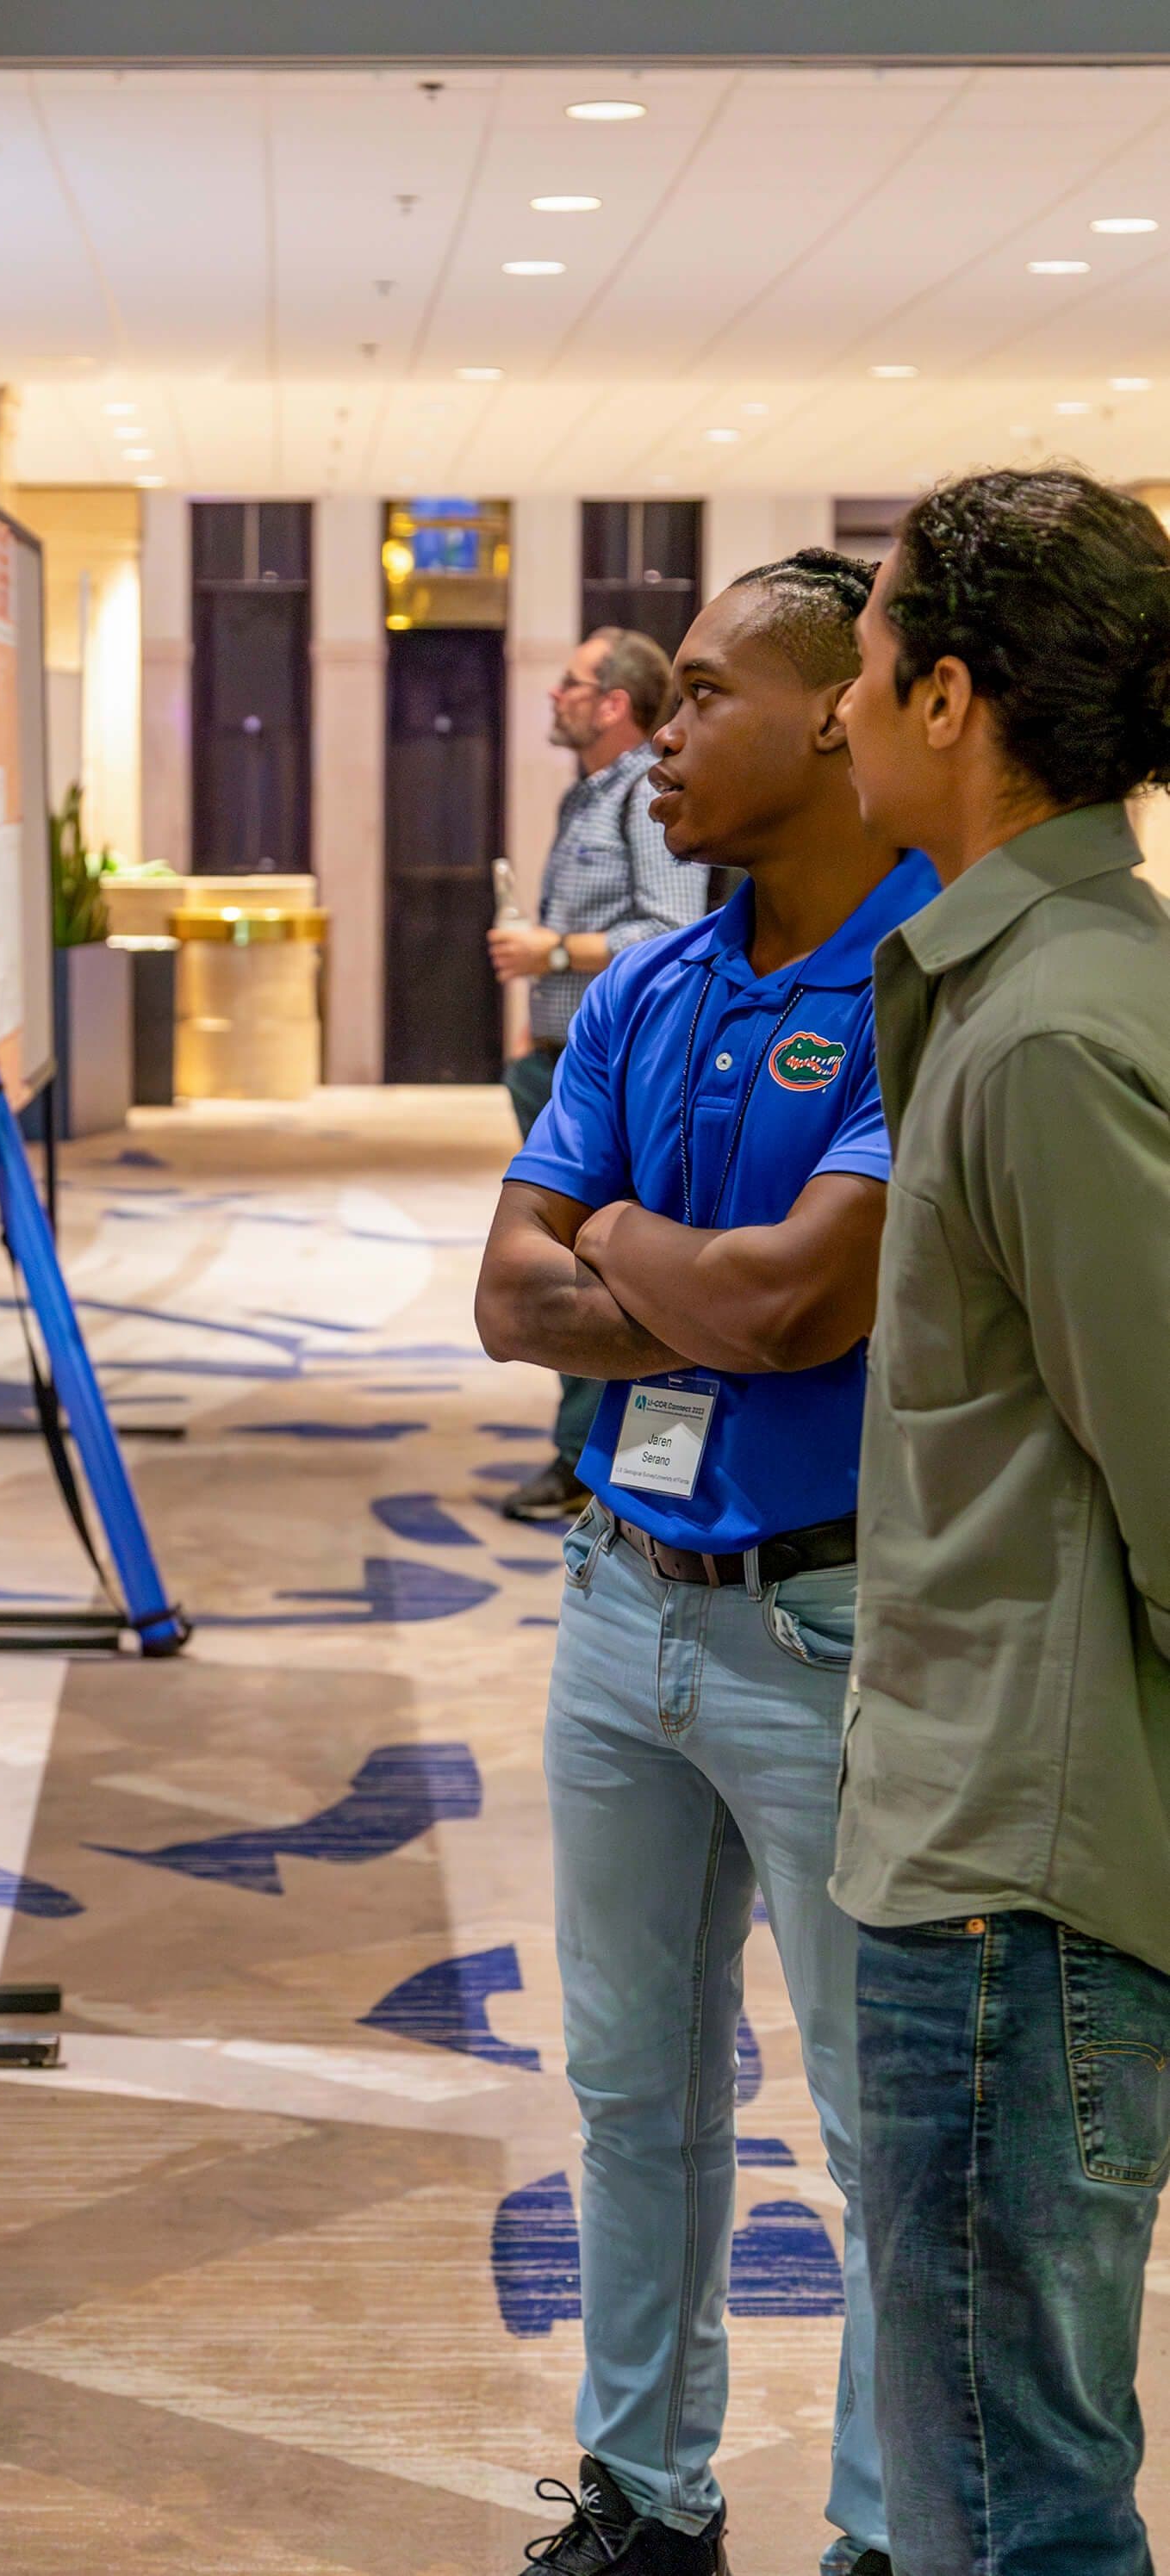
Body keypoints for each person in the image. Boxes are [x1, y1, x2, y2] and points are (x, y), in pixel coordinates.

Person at [476, 549, 937, 2576]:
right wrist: (688, 1287)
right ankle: (641, 2501)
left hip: (834, 1632)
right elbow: (501, 1295)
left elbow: (798, 1310)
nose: (659, 731)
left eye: (707, 697)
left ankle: (882, 2528)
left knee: (875, 2127)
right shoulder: (649, 980)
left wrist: (621, 1256)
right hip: (616, 1597)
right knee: (627, 2092)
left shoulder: (934, 979)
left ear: (836, 715)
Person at [830, 468, 1170, 2576]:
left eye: (863, 666)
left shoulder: (1050, 1029)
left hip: (1009, 1895)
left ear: (947, 695)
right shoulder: (1024, 984)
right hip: (981, 1847)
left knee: (1008, 2500)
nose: (838, 712)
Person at [489, 626, 708, 1523]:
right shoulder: (583, 799)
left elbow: (666, 929)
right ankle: (585, 1455)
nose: (553, 695)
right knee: (555, 1261)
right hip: (555, 1068)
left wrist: (551, 953)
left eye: (571, 682)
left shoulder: (641, 801)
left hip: (615, 1082)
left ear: (614, 702)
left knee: (591, 1270)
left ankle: (589, 1464)